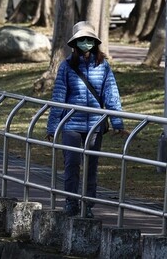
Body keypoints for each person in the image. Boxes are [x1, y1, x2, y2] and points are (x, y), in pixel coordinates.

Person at [46, 21, 128, 218]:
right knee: (71, 163)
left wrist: (118, 123)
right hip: (71, 124)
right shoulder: (66, 67)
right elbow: (58, 97)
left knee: (91, 166)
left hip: (95, 125)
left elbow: (111, 95)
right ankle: (70, 201)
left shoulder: (104, 66)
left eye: (89, 40)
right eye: (81, 40)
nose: (85, 43)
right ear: (74, 43)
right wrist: (52, 126)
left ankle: (88, 205)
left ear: (94, 42)